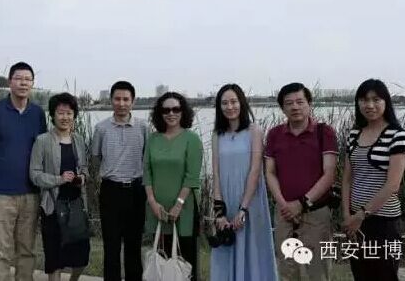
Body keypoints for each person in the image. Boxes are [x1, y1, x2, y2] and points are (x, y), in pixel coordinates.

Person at [0, 62, 47, 281]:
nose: (23, 83)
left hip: (30, 192)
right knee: (1, 251)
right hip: (0, 192)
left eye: (27, 79)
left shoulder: (37, 113)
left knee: (27, 250)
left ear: (32, 83)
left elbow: (42, 148)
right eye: (18, 78)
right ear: (10, 82)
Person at [264, 82, 337, 281]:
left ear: (309, 104)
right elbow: (270, 172)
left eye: (300, 102)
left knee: (318, 271)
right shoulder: (274, 134)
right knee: (287, 271)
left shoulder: (324, 132)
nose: (295, 107)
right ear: (282, 108)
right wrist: (284, 205)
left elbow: (329, 174)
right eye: (289, 103)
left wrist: (302, 203)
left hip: (316, 212)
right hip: (284, 213)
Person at [342, 79, 405, 281]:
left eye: (376, 99)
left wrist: (361, 215)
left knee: (384, 274)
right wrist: (347, 215)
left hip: (383, 222)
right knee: (360, 274)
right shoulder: (354, 134)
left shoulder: (398, 136)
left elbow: (393, 185)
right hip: (355, 220)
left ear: (386, 102)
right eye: (364, 100)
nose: (370, 105)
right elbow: (347, 178)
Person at [209, 84, 277, 281]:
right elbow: (215, 173)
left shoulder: (254, 130)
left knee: (252, 249)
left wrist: (243, 209)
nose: (230, 107)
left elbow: (255, 170)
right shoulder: (217, 134)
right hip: (226, 198)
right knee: (226, 247)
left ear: (242, 103)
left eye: (233, 101)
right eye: (224, 103)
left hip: (250, 199)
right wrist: (219, 211)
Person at [30, 93, 90, 281]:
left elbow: (85, 169)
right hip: (52, 207)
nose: (65, 117)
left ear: (74, 115)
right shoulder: (42, 140)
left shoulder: (79, 140)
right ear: (52, 115)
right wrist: (59, 179)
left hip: (76, 205)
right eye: (61, 113)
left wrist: (82, 177)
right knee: (54, 258)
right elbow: (35, 174)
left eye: (69, 113)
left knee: (81, 258)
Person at [143, 92, 203, 280]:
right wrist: (152, 202)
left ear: (183, 111)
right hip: (157, 210)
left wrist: (178, 204)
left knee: (185, 263)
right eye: (166, 110)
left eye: (176, 109)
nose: (171, 113)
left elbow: (192, 176)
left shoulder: (192, 139)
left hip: (184, 211)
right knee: (161, 261)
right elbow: (147, 172)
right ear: (159, 113)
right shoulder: (153, 139)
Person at [92, 81, 147, 281]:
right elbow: (95, 158)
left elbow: (146, 157)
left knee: (134, 244)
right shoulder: (101, 128)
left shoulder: (143, 127)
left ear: (133, 101)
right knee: (111, 246)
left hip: (136, 190)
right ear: (111, 100)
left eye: (126, 99)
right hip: (111, 190)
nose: (121, 103)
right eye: (117, 99)